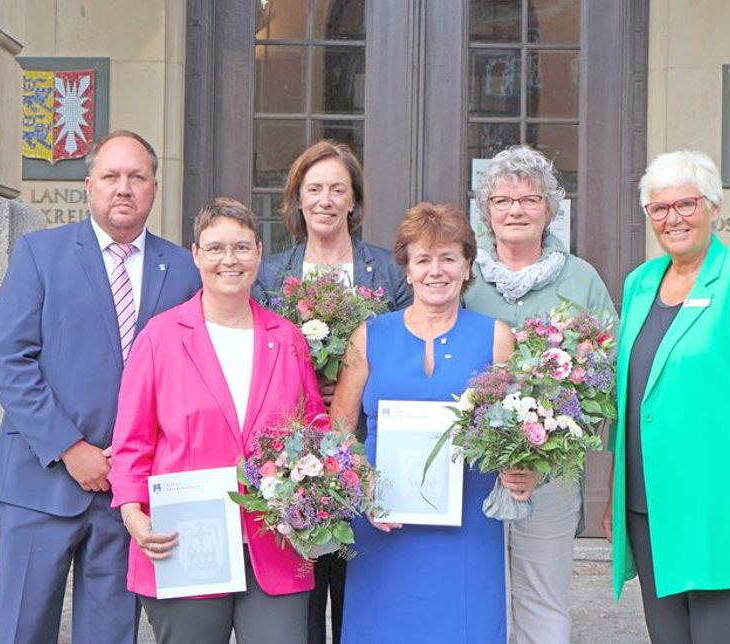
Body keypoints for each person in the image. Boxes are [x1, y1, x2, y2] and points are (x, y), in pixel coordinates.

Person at [0, 130, 201, 643]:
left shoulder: (186, 271)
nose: (123, 188)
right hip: (40, 481)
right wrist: (69, 447)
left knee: (110, 635)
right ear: (89, 185)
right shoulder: (40, 254)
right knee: (22, 630)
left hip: (128, 497)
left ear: (154, 187)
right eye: (111, 176)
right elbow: (8, 360)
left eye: (136, 177)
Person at [603, 150, 730, 644]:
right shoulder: (639, 284)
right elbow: (632, 395)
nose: (672, 219)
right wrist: (617, 492)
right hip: (651, 511)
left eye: (686, 205)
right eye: (659, 208)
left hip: (727, 511)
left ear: (713, 207)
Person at [108, 197, 327, 644]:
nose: (230, 260)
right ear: (196, 254)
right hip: (186, 543)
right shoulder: (161, 338)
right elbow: (132, 442)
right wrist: (133, 515)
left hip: (275, 542)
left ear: (260, 254)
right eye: (216, 248)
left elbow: (313, 427)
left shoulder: (286, 339)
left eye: (242, 248)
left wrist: (329, 488)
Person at [332, 202, 523, 643]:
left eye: (448, 258)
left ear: (468, 265)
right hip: (383, 521)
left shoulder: (496, 337)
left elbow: (515, 430)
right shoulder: (370, 335)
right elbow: (338, 431)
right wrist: (361, 483)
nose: (436, 271)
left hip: (467, 524)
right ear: (406, 269)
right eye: (423, 260)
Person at [253, 139, 411, 644]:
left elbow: (407, 349)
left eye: (337, 189)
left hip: (368, 454)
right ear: (297, 199)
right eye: (314, 188)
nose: (325, 200)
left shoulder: (388, 273)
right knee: (299, 609)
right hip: (293, 455)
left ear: (353, 201)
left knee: (361, 600)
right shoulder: (272, 274)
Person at [463, 144, 615, 643]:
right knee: (475, 597)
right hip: (472, 473)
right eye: (502, 200)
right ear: (486, 211)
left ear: (550, 209)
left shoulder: (581, 278)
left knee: (542, 597)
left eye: (529, 200)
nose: (515, 210)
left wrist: (545, 446)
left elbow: (606, 369)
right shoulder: (464, 278)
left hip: (550, 472)